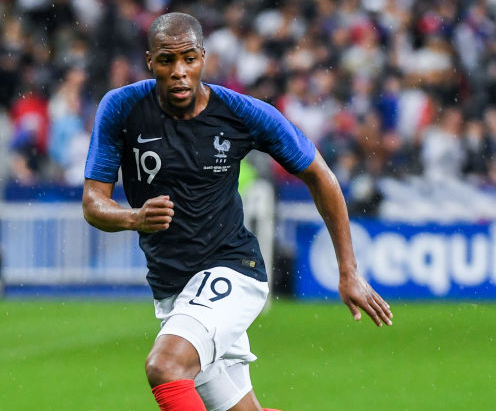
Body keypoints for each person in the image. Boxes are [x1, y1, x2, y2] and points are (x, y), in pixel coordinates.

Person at [82, 13, 393, 411]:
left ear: (203, 58)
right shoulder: (122, 108)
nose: (179, 72)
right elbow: (93, 203)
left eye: (189, 58)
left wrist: (348, 271)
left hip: (232, 270)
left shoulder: (240, 113)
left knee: (165, 366)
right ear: (149, 61)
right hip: (173, 287)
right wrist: (134, 218)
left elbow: (321, 177)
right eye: (167, 60)